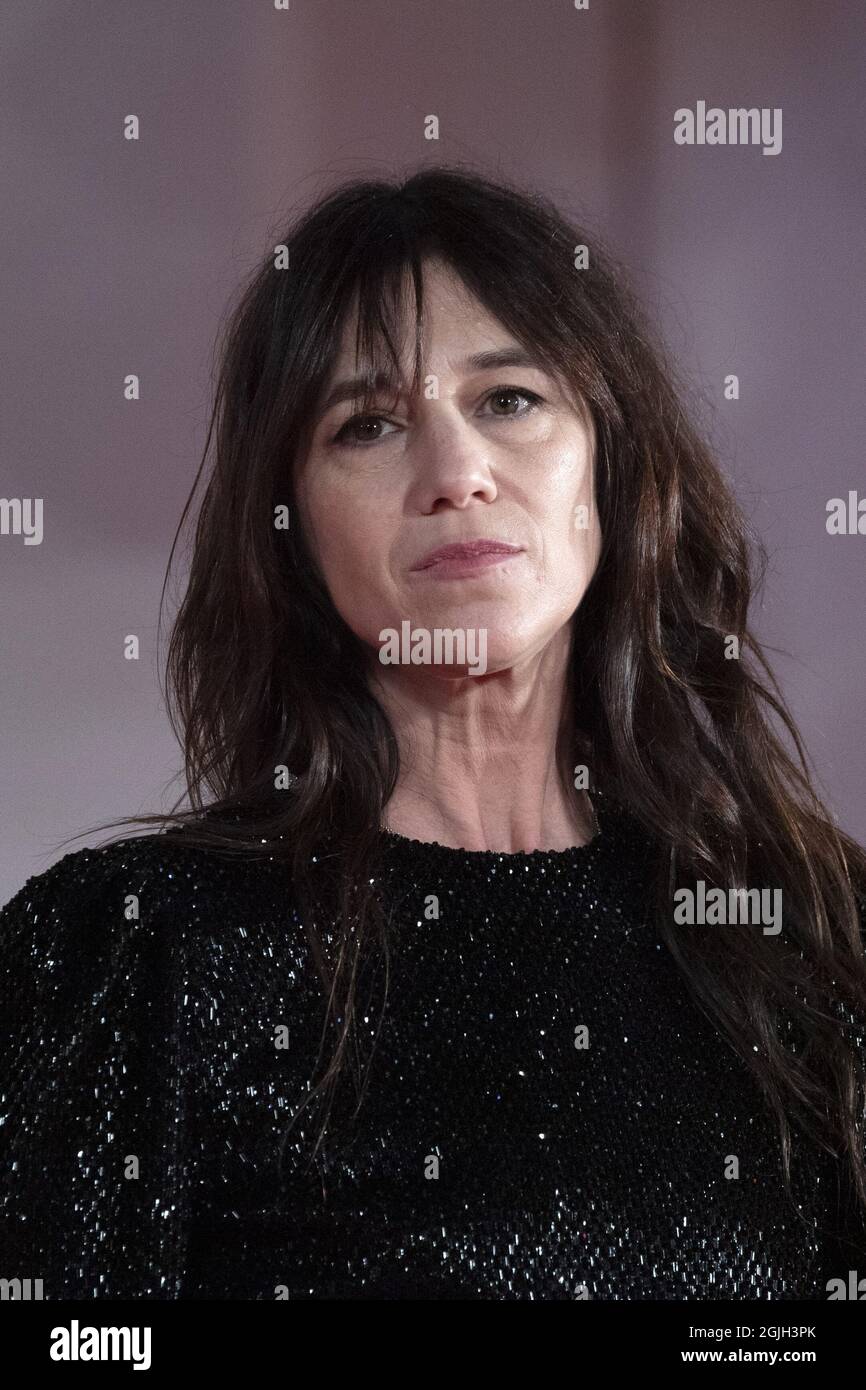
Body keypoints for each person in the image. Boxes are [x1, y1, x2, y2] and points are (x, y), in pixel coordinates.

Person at [2, 165, 866, 1301]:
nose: (455, 475)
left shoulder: (802, 936)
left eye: (508, 399)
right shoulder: (123, 953)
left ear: (608, 459)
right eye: (367, 425)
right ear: (291, 526)